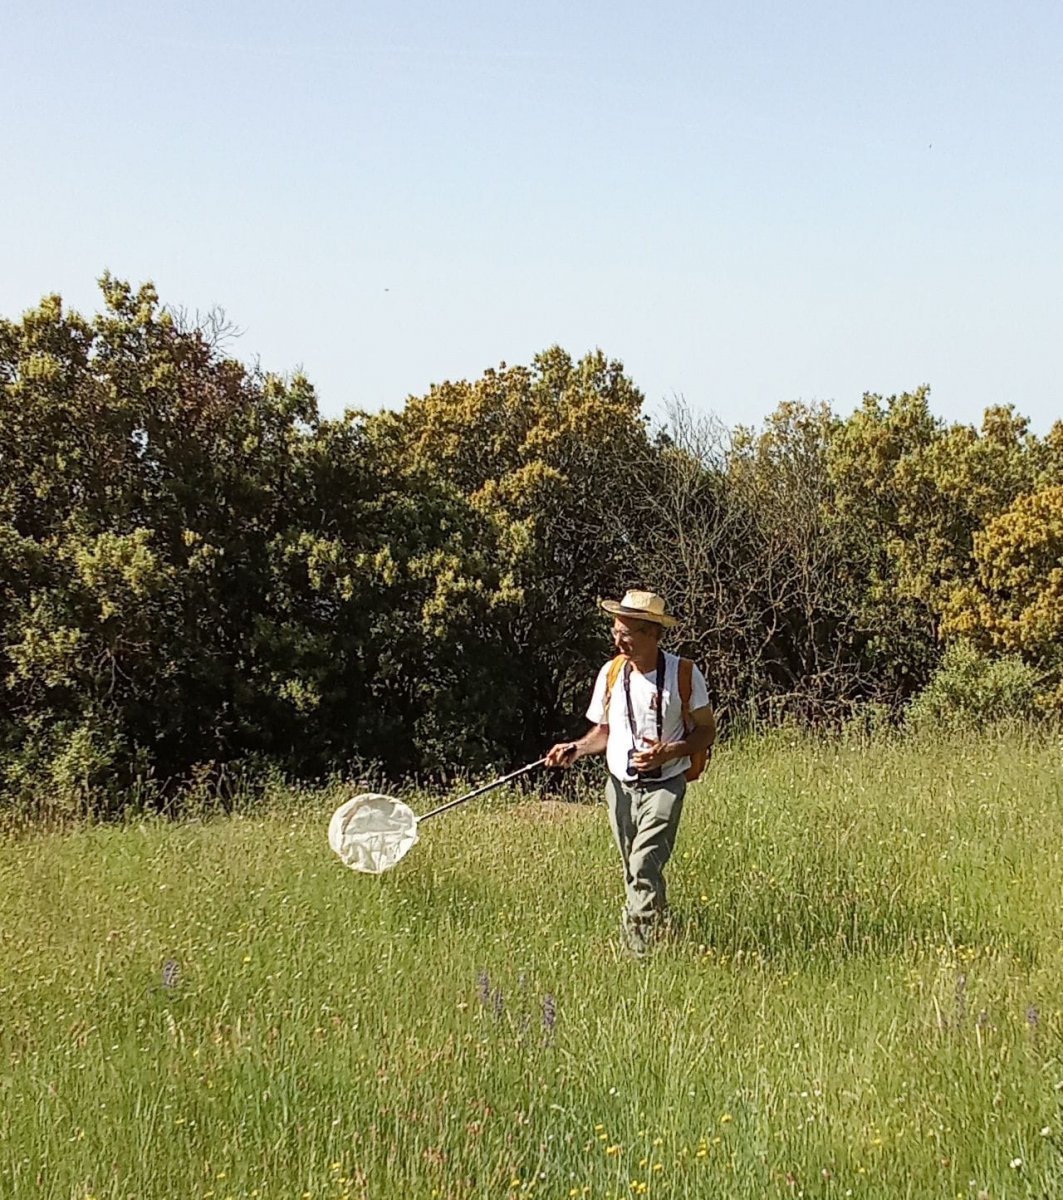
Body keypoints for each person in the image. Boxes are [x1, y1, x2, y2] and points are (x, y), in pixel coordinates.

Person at [545, 590, 715, 956]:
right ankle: (665, 930)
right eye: (615, 630)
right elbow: (603, 733)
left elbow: (706, 730)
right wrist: (575, 748)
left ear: (653, 633)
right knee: (634, 870)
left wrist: (671, 751)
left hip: (665, 786)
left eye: (628, 633)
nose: (618, 639)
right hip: (619, 787)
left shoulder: (684, 674)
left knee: (643, 865)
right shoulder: (611, 673)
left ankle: (637, 954)